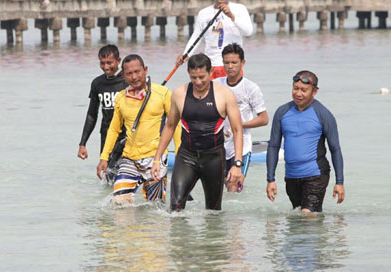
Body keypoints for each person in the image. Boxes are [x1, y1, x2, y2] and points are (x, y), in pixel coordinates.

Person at [152, 53, 243, 211]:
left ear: (211, 72)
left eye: (202, 77)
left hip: (214, 159)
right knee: (175, 208)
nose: (198, 82)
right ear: (188, 72)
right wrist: (157, 159)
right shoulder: (179, 93)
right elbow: (170, 126)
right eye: (194, 77)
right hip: (187, 156)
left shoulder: (225, 94)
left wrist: (237, 164)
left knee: (213, 212)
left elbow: (237, 130)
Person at [96, 54, 181, 205]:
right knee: (119, 203)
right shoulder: (121, 98)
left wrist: (180, 153)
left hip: (156, 159)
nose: (134, 77)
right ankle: (129, 229)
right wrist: (104, 157)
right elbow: (114, 129)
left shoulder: (163, 93)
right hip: (129, 158)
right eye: (129, 73)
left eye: (137, 72)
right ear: (123, 75)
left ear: (145, 70)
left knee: (155, 208)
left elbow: (175, 125)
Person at [266, 71, 345, 213]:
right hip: (291, 176)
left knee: (306, 214)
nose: (298, 93)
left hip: (316, 174)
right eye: (295, 88)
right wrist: (270, 179)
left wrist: (339, 182)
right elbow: (273, 146)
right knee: (299, 221)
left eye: (304, 90)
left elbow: (335, 149)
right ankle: (322, 234)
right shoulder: (282, 112)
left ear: (314, 91)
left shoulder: (323, 114)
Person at [175, 0, 253, 80]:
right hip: (210, 66)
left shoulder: (239, 9)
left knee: (230, 96)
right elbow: (196, 37)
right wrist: (185, 55)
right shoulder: (204, 13)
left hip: (231, 66)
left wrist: (231, 16)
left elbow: (248, 32)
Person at [214, 44, 268, 192]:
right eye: (226, 62)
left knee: (233, 187)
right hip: (218, 145)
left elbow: (264, 119)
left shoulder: (251, 88)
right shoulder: (216, 84)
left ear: (242, 63)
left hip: (241, 147)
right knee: (216, 190)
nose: (230, 66)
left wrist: (239, 126)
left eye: (234, 62)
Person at [77, 45, 127, 178]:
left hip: (127, 137)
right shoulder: (97, 83)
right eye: (102, 63)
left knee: (126, 177)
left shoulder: (128, 82)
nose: (106, 67)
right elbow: (92, 115)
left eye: (109, 63)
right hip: (107, 138)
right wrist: (83, 143)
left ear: (118, 61)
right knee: (109, 177)